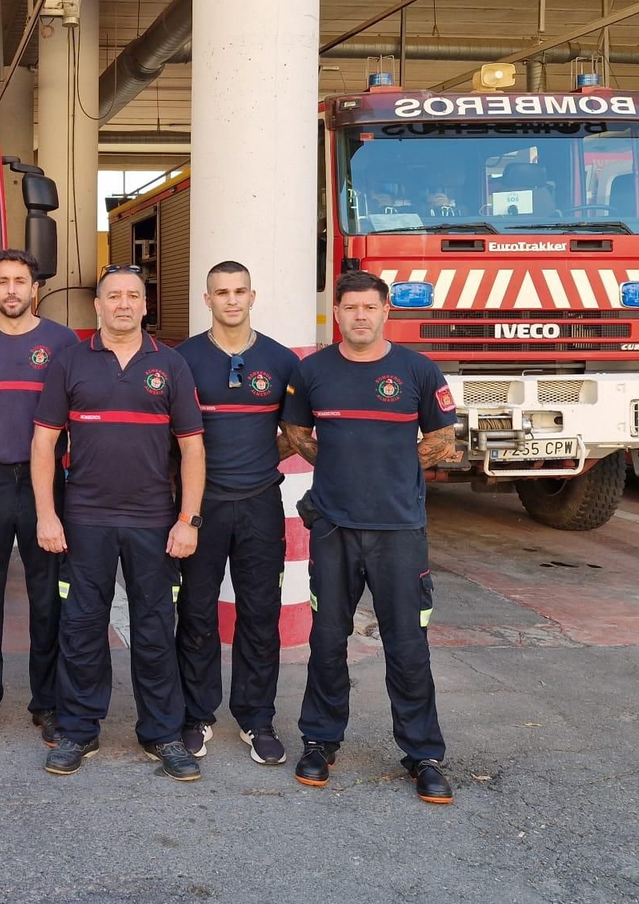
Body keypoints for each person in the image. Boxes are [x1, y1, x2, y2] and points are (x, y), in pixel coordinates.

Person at [279, 269, 459, 806]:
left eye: (369, 307)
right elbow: (295, 433)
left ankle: (423, 754)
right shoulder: (312, 372)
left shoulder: (417, 370)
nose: (360, 315)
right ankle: (319, 742)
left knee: (408, 646)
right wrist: (339, 465)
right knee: (327, 641)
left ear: (385, 312)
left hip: (399, 529)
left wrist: (392, 470)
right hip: (333, 527)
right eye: (350, 307)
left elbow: (443, 437)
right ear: (336, 313)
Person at [33, 265, 206, 783]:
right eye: (114, 296)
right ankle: (78, 730)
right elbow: (44, 442)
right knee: (82, 626)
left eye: (133, 296)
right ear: (98, 306)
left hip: (153, 520)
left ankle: (162, 733)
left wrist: (188, 519)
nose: (124, 304)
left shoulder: (170, 364)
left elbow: (192, 448)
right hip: (85, 518)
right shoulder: (70, 362)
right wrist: (47, 513)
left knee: (155, 628)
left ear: (145, 306)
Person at [173, 261, 300, 766]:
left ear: (252, 296)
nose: (231, 300)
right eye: (221, 292)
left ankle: (257, 718)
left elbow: (295, 433)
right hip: (201, 506)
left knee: (260, 614)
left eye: (239, 291)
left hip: (260, 504)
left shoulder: (282, 360)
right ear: (207, 300)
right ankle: (196, 714)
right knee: (196, 612)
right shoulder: (182, 359)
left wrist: (258, 458)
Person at [0, 249, 76, 751]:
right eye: (2, 281)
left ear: (35, 288)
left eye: (20, 281)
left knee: (48, 598)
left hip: (44, 488)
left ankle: (48, 703)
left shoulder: (63, 342)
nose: (11, 290)